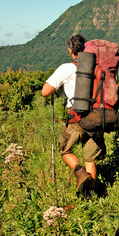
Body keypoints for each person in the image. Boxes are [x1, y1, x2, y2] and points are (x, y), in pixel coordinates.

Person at [42, 34, 106, 193]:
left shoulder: (67, 68)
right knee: (90, 159)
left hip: (77, 119)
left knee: (65, 150)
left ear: (71, 51)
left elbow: (45, 91)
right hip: (97, 117)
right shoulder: (97, 67)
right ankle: (89, 196)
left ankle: (79, 173)